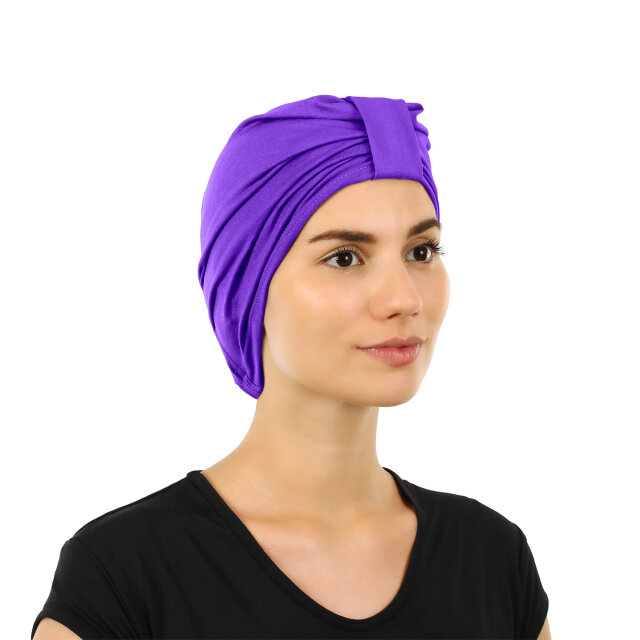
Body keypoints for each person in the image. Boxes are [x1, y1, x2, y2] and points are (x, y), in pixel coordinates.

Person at [32, 95, 551, 639]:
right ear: (249, 288)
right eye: (344, 257)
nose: (404, 298)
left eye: (421, 251)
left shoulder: (494, 559)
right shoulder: (123, 576)